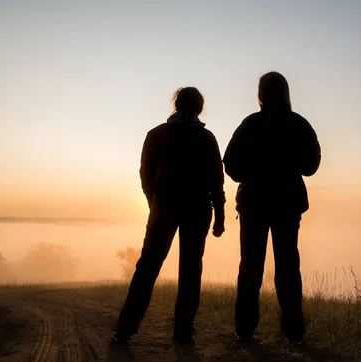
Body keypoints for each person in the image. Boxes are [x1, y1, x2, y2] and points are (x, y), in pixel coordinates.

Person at [113, 87, 225, 344]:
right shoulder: (206, 138)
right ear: (199, 108)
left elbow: (145, 175)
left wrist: (154, 203)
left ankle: (125, 328)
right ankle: (183, 332)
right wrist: (219, 217)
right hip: (197, 210)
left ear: (176, 105)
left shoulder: (157, 134)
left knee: (147, 267)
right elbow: (215, 182)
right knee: (190, 270)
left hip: (163, 208)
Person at [223, 72, 321, 343]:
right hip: (288, 204)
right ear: (286, 93)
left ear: (260, 94)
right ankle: (294, 332)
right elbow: (311, 166)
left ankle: (244, 330)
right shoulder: (298, 124)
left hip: (253, 204)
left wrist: (251, 175)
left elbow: (229, 162)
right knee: (288, 266)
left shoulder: (251, 124)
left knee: (250, 266)